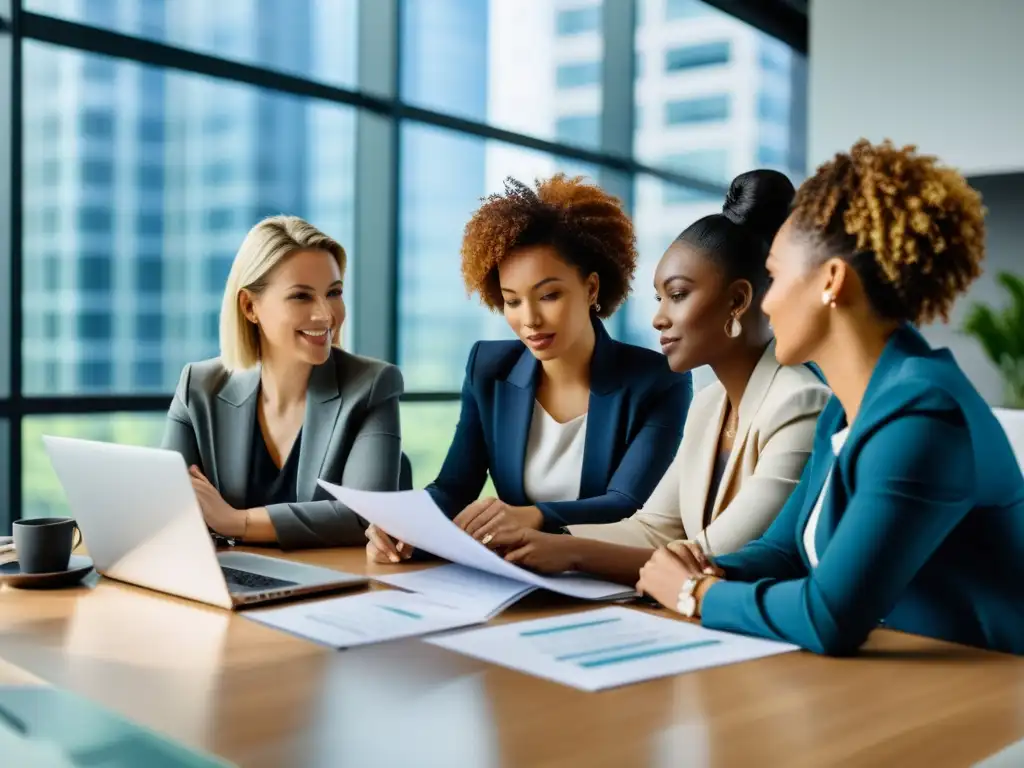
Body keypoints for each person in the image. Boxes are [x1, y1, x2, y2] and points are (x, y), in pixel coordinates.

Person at [637, 139, 1024, 656]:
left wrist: (695, 593)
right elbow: (784, 548)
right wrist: (703, 566)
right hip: (904, 678)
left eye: (774, 277)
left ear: (831, 281)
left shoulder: (924, 413)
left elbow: (830, 616)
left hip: (991, 695)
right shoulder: (848, 407)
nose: (767, 303)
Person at [481, 171, 831, 583]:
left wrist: (569, 551)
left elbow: (714, 557)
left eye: (678, 295)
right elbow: (654, 528)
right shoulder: (708, 404)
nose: (659, 318)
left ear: (737, 301)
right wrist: (535, 539)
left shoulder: (800, 402)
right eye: (659, 298)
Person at [366, 174, 692, 563]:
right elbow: (454, 486)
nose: (530, 319)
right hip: (511, 574)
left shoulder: (658, 380)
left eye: (549, 295)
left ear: (591, 289)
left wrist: (533, 516)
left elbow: (626, 503)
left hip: (603, 576)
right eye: (512, 301)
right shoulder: (487, 368)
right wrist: (403, 520)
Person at [162, 215, 404, 549]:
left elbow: (366, 517)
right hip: (228, 581)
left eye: (333, 293)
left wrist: (236, 521)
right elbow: (170, 505)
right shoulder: (199, 387)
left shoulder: (371, 385)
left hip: (329, 583)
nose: (325, 314)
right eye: (302, 297)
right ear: (250, 307)